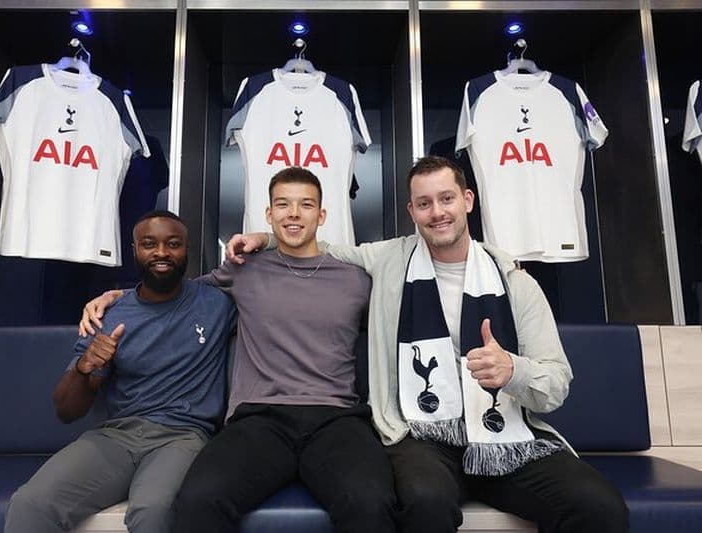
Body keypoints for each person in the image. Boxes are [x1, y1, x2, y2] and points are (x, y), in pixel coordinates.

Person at [227, 156, 628, 532]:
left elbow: (556, 381)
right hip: (420, 436)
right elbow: (316, 245)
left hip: (505, 438)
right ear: (412, 212)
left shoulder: (514, 280)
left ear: (467, 200)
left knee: (599, 506)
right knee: (424, 500)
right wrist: (265, 236)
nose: (437, 212)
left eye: (446, 199)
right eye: (424, 203)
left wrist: (513, 371)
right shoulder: (388, 260)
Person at [80, 167, 396, 532]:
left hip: (336, 417)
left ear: (321, 215)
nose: (293, 213)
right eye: (283, 204)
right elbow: (171, 295)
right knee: (199, 501)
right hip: (260, 418)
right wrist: (117, 298)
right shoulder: (243, 270)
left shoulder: (355, 278)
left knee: (371, 503)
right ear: (269, 214)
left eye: (305, 205)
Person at [4, 210, 236, 533]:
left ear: (187, 249)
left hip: (183, 436)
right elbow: (67, 410)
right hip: (115, 436)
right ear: (134, 250)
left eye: (173, 244)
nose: (161, 253)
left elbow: (275, 280)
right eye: (149, 244)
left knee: (153, 510)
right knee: (30, 503)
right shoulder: (108, 315)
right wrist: (85, 368)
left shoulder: (217, 304)